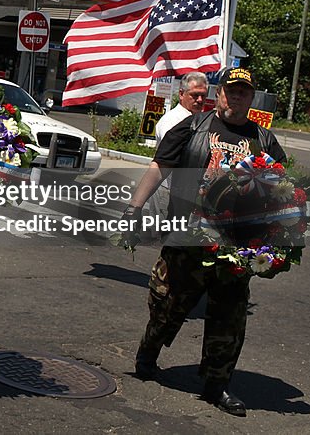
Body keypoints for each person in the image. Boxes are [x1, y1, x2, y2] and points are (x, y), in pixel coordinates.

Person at [123, 67, 287, 416]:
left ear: (251, 97)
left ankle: (217, 384)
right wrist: (134, 207)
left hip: (236, 247)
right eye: (231, 90)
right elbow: (159, 167)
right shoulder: (192, 128)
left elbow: (282, 191)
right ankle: (148, 355)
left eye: (244, 92)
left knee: (229, 316)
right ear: (219, 93)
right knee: (168, 307)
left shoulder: (264, 139)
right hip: (188, 238)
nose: (236, 97)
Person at [142, 72, 210, 232]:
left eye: (203, 96)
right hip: (169, 190)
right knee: (166, 240)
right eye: (195, 95)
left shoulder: (198, 120)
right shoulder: (173, 121)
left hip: (185, 193)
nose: (199, 100)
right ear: (181, 94)